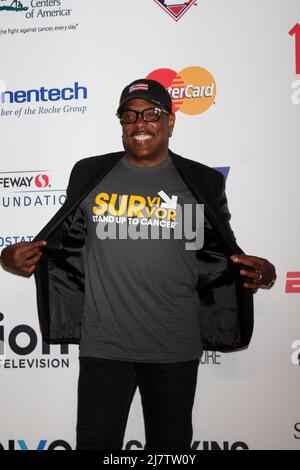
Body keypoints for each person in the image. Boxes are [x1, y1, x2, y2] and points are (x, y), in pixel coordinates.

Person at [1, 78, 276, 451]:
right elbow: (57, 242)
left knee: (170, 449)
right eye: (129, 116)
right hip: (105, 345)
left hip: (175, 346)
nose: (139, 123)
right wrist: (8, 257)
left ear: (170, 122)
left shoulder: (201, 182)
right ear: (121, 123)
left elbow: (220, 251)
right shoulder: (89, 174)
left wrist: (264, 272)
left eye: (151, 114)